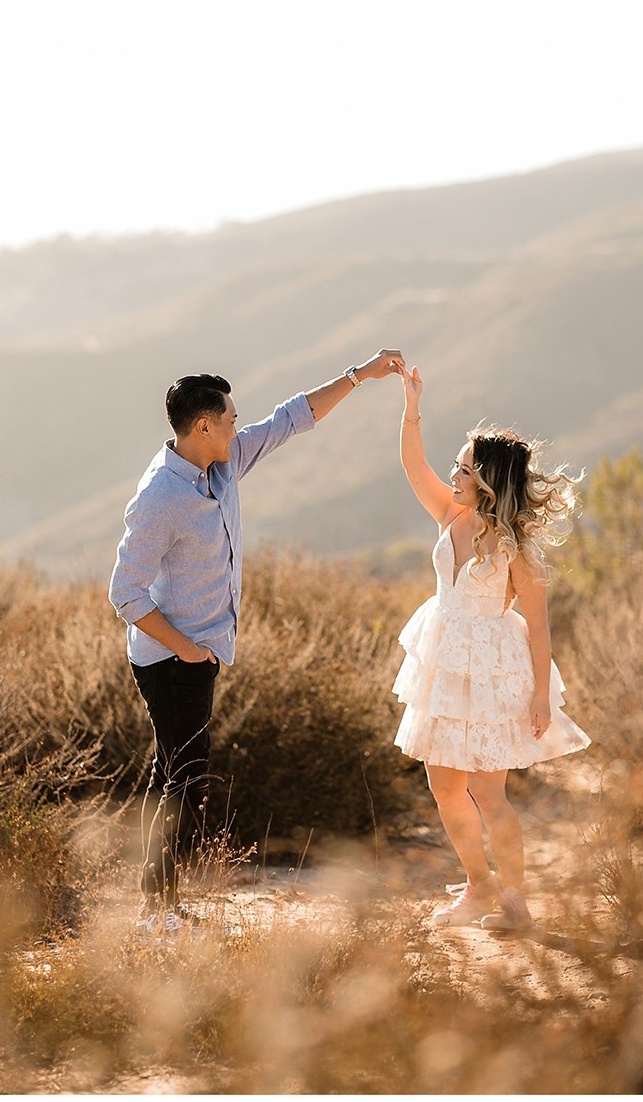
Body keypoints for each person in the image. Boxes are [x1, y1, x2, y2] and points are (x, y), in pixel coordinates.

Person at [108, 353, 405, 918]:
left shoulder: (224, 462)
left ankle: (153, 904)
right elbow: (124, 593)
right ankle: (159, 911)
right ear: (203, 427)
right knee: (188, 781)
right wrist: (187, 648)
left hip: (196, 652)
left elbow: (292, 418)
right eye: (230, 419)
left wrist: (359, 376)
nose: (238, 427)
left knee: (171, 770)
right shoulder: (158, 498)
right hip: (170, 661)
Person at [391, 365, 590, 933]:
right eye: (455, 465)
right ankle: (479, 887)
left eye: (463, 467)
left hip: (492, 668)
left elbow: (540, 626)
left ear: (486, 478)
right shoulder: (451, 514)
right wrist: (412, 405)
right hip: (444, 658)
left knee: (487, 788)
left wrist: (539, 699)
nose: (452, 474)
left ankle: (518, 903)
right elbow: (410, 463)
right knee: (443, 782)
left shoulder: (516, 547)